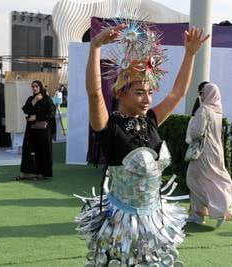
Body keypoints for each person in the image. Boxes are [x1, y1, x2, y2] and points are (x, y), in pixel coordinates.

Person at [75, 21, 209, 266]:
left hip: (155, 220)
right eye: (139, 92)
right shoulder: (108, 126)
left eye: (149, 92)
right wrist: (95, 48)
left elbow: (177, 94)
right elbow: (94, 93)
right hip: (121, 225)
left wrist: (190, 54)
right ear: (119, 93)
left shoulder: (150, 121)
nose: (147, 99)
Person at [186, 82, 232, 227]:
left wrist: (192, 126)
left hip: (203, 151)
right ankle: (199, 213)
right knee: (214, 178)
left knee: (193, 179)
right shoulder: (218, 111)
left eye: (202, 93)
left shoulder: (204, 110)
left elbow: (197, 132)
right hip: (216, 150)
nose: (201, 95)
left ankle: (217, 210)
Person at [14, 80, 55, 181]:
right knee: (28, 149)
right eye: (33, 86)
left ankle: (41, 173)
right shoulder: (31, 99)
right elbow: (26, 110)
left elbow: (51, 114)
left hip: (43, 131)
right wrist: (35, 100)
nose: (34, 88)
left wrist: (36, 117)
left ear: (40, 87)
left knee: (42, 151)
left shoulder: (47, 99)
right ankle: (26, 173)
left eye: (36, 86)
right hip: (31, 130)